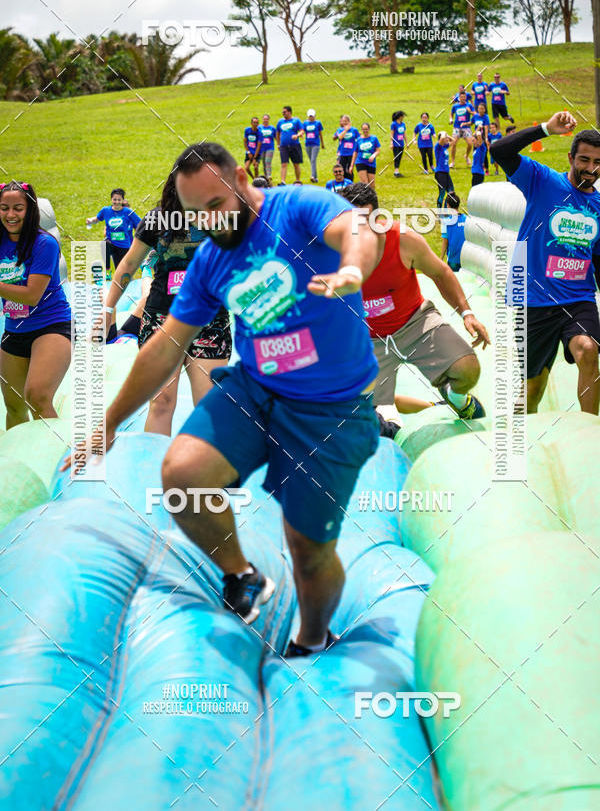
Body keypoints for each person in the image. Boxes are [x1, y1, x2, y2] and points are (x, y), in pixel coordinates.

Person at [65, 142, 381, 658]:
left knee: (307, 550)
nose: (209, 222)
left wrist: (352, 268)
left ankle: (313, 636)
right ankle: (242, 574)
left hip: (332, 408)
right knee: (182, 476)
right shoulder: (211, 259)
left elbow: (357, 229)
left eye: (215, 205)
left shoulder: (297, 206)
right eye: (195, 214)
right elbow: (166, 345)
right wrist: (109, 423)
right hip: (257, 391)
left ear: (241, 176)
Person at [340, 182, 490, 423]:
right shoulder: (327, 252)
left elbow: (441, 273)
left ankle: (458, 400)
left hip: (415, 322)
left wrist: (467, 313)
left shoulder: (403, 240)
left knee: (468, 369)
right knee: (357, 415)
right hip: (367, 341)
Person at [97, 174, 231, 435]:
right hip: (161, 319)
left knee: (210, 406)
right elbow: (127, 266)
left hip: (210, 321)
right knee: (160, 402)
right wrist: (107, 309)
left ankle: (208, 474)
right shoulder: (156, 220)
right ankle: (154, 472)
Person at [490, 111, 600, 415]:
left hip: (578, 298)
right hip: (533, 300)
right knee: (533, 388)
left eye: (597, 162)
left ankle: (590, 437)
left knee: (589, 351)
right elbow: (499, 151)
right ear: (570, 157)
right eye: (585, 160)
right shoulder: (542, 181)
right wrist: (545, 129)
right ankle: (521, 446)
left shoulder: (598, 206)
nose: (591, 169)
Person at [0, 181, 72, 428]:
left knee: (38, 397)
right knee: (13, 406)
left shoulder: (45, 243)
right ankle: (17, 464)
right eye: (4, 208)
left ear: (30, 210)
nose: (10, 215)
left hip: (51, 326)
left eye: (18, 208)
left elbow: (32, 295)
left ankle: (58, 462)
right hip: (14, 330)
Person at [86, 189, 141, 279]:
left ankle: (127, 284)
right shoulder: (106, 211)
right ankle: (107, 271)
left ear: (122, 200)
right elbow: (97, 219)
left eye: (119, 200)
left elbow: (140, 223)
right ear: (111, 199)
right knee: (104, 244)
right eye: (114, 199)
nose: (116, 202)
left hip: (124, 246)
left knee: (121, 272)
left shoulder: (128, 212)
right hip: (112, 244)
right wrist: (90, 221)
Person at [276, 105, 304, 185]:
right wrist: (278, 144)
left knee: (296, 164)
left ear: (290, 112)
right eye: (282, 112)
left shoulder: (296, 121)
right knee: (284, 163)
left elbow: (302, 131)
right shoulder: (280, 122)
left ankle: (297, 180)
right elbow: (277, 132)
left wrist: (297, 135)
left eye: (285, 112)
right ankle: (283, 181)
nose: (283, 113)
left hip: (294, 145)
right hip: (284, 146)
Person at [440, 193, 466, 272]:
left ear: (448, 205)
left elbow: (445, 242)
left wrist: (440, 259)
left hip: (453, 260)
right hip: (467, 258)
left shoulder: (446, 221)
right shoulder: (467, 219)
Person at [449, 91, 475, 167]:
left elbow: (475, 114)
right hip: (457, 127)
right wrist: (451, 119)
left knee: (470, 144)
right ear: (459, 98)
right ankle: (453, 162)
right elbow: (451, 113)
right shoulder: (455, 106)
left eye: (464, 97)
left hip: (466, 128)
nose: (463, 98)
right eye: (461, 97)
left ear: (466, 98)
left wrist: (469, 111)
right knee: (453, 143)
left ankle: (466, 156)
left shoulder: (469, 105)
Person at [333, 115, 359, 181]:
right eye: (343, 121)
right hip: (342, 153)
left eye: (346, 121)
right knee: (342, 170)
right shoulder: (340, 130)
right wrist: (346, 130)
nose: (344, 123)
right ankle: (343, 184)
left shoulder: (354, 130)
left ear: (349, 122)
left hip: (351, 153)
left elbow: (359, 139)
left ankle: (350, 184)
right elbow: (340, 137)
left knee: (349, 170)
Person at [434, 132, 456, 207]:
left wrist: (448, 136)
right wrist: (443, 134)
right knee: (442, 192)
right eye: (445, 138)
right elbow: (442, 138)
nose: (447, 139)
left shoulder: (445, 147)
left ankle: (446, 210)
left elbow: (453, 141)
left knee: (451, 192)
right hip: (440, 173)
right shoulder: (438, 147)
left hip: (446, 173)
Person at [303, 109, 325, 183]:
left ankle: (312, 176)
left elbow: (320, 134)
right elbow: (303, 131)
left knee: (313, 160)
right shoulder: (305, 123)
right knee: (312, 161)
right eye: (310, 116)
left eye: (312, 116)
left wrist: (322, 144)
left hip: (315, 144)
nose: (311, 117)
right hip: (308, 144)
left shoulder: (318, 123)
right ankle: (315, 178)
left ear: (315, 116)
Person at [472, 102, 491, 174]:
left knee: (484, 153)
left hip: (482, 137)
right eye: (479, 108)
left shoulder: (486, 117)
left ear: (485, 110)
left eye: (482, 108)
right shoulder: (475, 116)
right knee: (475, 152)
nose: (480, 110)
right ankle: (477, 165)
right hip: (476, 137)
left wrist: (486, 138)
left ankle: (486, 169)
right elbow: (471, 122)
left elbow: (486, 128)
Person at [258, 114, 276, 180]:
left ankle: (269, 175)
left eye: (267, 119)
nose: (265, 120)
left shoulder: (272, 128)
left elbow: (276, 137)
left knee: (267, 161)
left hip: (270, 147)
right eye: (264, 119)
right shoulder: (259, 128)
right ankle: (266, 178)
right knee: (263, 163)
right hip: (261, 148)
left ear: (269, 120)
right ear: (262, 120)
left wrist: (279, 145)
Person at [390, 110, 406, 177]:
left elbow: (404, 134)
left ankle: (397, 171)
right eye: (403, 116)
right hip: (396, 143)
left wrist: (406, 142)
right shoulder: (393, 124)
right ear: (400, 117)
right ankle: (396, 172)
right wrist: (391, 143)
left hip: (401, 144)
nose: (403, 117)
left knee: (399, 157)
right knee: (396, 157)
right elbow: (392, 134)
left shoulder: (403, 124)